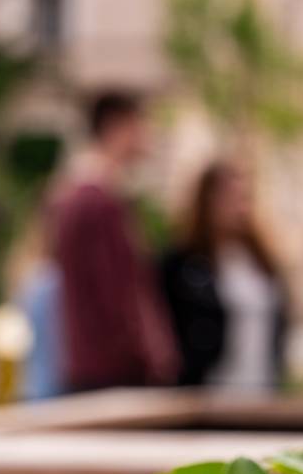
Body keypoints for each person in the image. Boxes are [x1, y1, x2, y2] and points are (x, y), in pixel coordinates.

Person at [47, 90, 176, 392]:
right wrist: (146, 352)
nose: (147, 136)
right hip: (109, 368)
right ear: (117, 126)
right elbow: (114, 291)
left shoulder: (75, 192)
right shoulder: (97, 200)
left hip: (90, 361)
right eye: (140, 125)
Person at [159, 160, 290, 391]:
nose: (238, 207)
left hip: (260, 384)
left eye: (243, 198)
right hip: (208, 390)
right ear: (207, 201)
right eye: (229, 198)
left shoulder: (258, 259)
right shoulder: (184, 264)